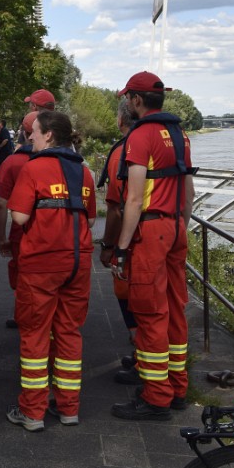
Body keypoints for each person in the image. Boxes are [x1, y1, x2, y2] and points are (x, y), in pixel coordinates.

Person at [110, 71, 196, 421]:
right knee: (175, 307)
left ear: (135, 100)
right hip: (177, 226)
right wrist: (181, 226)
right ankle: (177, 387)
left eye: (127, 98)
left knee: (149, 312)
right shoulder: (181, 135)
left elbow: (132, 199)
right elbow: (189, 191)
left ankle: (156, 396)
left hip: (151, 232)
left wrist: (121, 247)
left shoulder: (140, 136)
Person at [5, 110, 96, 431]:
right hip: (79, 262)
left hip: (41, 263)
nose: (30, 136)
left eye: (35, 131)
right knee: (70, 334)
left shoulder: (33, 168)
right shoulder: (84, 173)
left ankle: (32, 412)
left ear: (49, 136)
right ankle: (68, 408)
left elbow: (17, 218)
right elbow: (91, 218)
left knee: (34, 335)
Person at [98, 99, 141, 383]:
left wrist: (109, 247)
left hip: (134, 239)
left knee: (129, 298)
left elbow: (115, 209)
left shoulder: (121, 153)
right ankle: (146, 359)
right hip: (167, 232)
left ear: (121, 120)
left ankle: (142, 363)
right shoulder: (170, 143)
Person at [0, 111, 38, 329]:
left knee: (22, 274)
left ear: (24, 132)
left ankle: (23, 314)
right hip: (55, 232)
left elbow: (2, 204)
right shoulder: (65, 163)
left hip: (22, 230)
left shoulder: (12, 163)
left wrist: (1, 237)